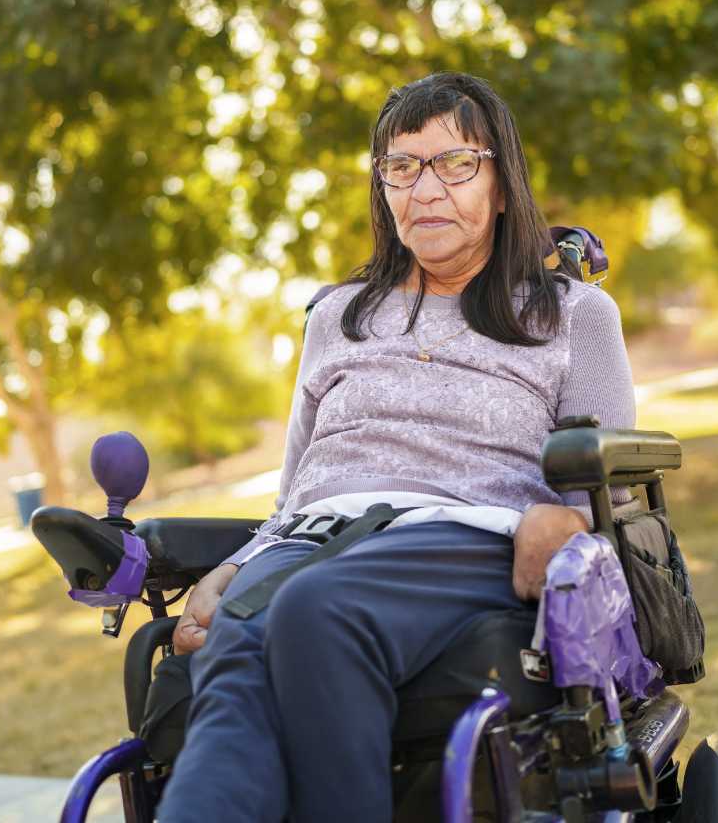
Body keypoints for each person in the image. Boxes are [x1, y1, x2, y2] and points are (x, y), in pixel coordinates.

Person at [157, 71, 635, 822]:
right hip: (312, 542)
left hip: (465, 535)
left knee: (313, 609)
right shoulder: (337, 316)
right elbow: (295, 493)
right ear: (382, 189)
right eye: (401, 167)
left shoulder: (571, 314)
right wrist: (233, 567)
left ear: (502, 185)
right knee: (237, 653)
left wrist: (567, 519)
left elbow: (603, 489)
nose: (425, 188)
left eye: (456, 164)